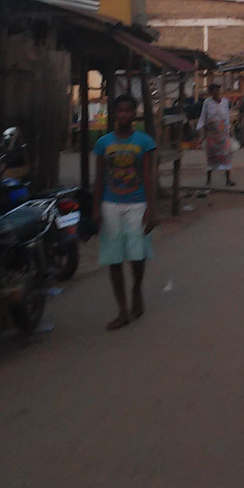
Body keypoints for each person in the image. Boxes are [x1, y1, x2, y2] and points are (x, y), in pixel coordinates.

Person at [90, 94, 157, 331]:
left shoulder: (144, 142)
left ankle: (136, 289)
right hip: (110, 204)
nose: (124, 115)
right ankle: (122, 310)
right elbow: (99, 178)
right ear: (114, 114)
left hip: (137, 204)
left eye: (128, 111)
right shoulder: (103, 143)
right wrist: (96, 207)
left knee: (137, 255)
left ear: (134, 114)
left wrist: (151, 207)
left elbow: (148, 176)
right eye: (120, 111)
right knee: (113, 258)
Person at [198, 83, 235, 188]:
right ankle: (208, 179)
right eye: (213, 91)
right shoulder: (207, 102)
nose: (215, 93)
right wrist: (204, 132)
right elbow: (203, 117)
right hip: (212, 134)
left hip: (223, 133)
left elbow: (227, 116)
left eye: (217, 90)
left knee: (226, 155)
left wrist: (229, 129)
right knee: (211, 157)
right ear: (210, 92)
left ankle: (228, 179)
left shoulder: (225, 102)